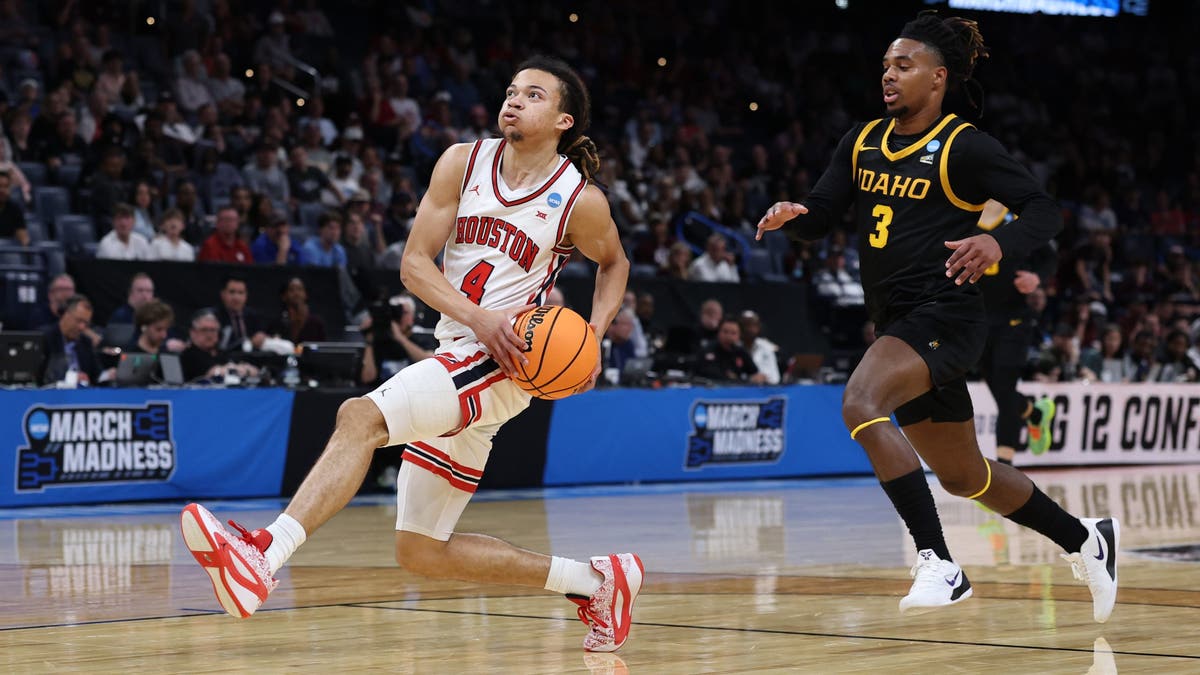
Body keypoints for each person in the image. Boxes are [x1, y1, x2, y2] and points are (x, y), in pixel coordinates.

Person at [181, 55, 642, 653]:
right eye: (510, 91)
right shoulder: (462, 162)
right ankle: (597, 582)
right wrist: (476, 316)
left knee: (359, 416)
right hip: (461, 346)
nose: (513, 100)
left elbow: (615, 263)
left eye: (532, 95)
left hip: (504, 364)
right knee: (421, 551)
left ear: (563, 120)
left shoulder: (579, 201)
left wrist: (594, 337)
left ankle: (263, 557)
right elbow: (413, 264)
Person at [755, 12, 1118, 623]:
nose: (889, 76)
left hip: (945, 314)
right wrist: (796, 217)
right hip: (896, 318)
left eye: (904, 66)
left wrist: (998, 243)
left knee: (859, 402)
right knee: (963, 476)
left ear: (938, 78)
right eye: (886, 66)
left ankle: (939, 563)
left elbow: (1044, 211)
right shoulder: (863, 139)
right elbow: (823, 212)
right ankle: (1086, 538)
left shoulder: (965, 145)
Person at [975, 199, 1057, 462]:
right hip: (977, 320)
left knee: (1005, 390)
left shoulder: (1019, 220)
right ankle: (1035, 414)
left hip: (1014, 319)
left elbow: (1049, 257)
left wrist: (1037, 278)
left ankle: (1005, 470)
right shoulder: (962, 215)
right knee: (1001, 392)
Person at [180, 308, 260, 382]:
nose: (209, 334)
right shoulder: (188, 355)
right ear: (193, 333)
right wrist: (236, 369)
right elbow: (211, 373)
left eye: (213, 330)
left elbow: (254, 370)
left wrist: (242, 369)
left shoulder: (222, 353)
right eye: (204, 330)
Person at [40, 295, 101, 385]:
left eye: (86, 323)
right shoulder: (45, 338)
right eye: (79, 320)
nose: (82, 327)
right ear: (66, 314)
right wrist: (73, 378)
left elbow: (97, 375)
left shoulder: (85, 342)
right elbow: (43, 376)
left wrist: (109, 375)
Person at [694, 316, 764, 384]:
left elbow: (755, 373)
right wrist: (743, 380)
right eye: (725, 332)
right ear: (718, 332)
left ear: (739, 335)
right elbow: (715, 377)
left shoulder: (741, 352)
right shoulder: (708, 350)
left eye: (733, 333)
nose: (729, 336)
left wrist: (758, 378)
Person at [214, 275, 267, 351]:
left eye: (241, 292)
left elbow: (260, 335)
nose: (236, 297)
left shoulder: (253, 315)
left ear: (246, 295)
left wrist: (261, 337)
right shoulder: (214, 317)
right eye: (232, 292)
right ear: (223, 294)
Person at [269, 277, 326, 343]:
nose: (296, 293)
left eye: (300, 289)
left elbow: (322, 348)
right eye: (291, 290)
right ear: (284, 296)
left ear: (306, 294)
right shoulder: (277, 322)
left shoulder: (316, 323)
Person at [0, 171, 29, 246]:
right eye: (0, 186)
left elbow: (23, 237)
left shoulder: (15, 209)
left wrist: (25, 245)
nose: (2, 190)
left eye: (6, 186)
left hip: (8, 252)